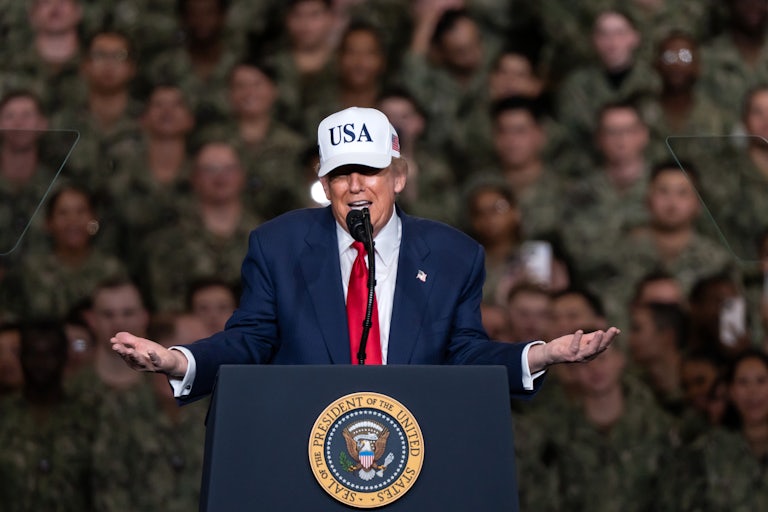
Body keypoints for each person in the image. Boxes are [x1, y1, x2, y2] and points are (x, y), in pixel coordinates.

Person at [111, 106, 619, 402]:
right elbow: (251, 340)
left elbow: (464, 353)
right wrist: (178, 361)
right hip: (302, 448)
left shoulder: (453, 254)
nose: (355, 186)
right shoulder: (278, 245)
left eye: (370, 171)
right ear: (323, 181)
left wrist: (540, 354)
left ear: (398, 176)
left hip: (417, 451)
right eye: (340, 174)